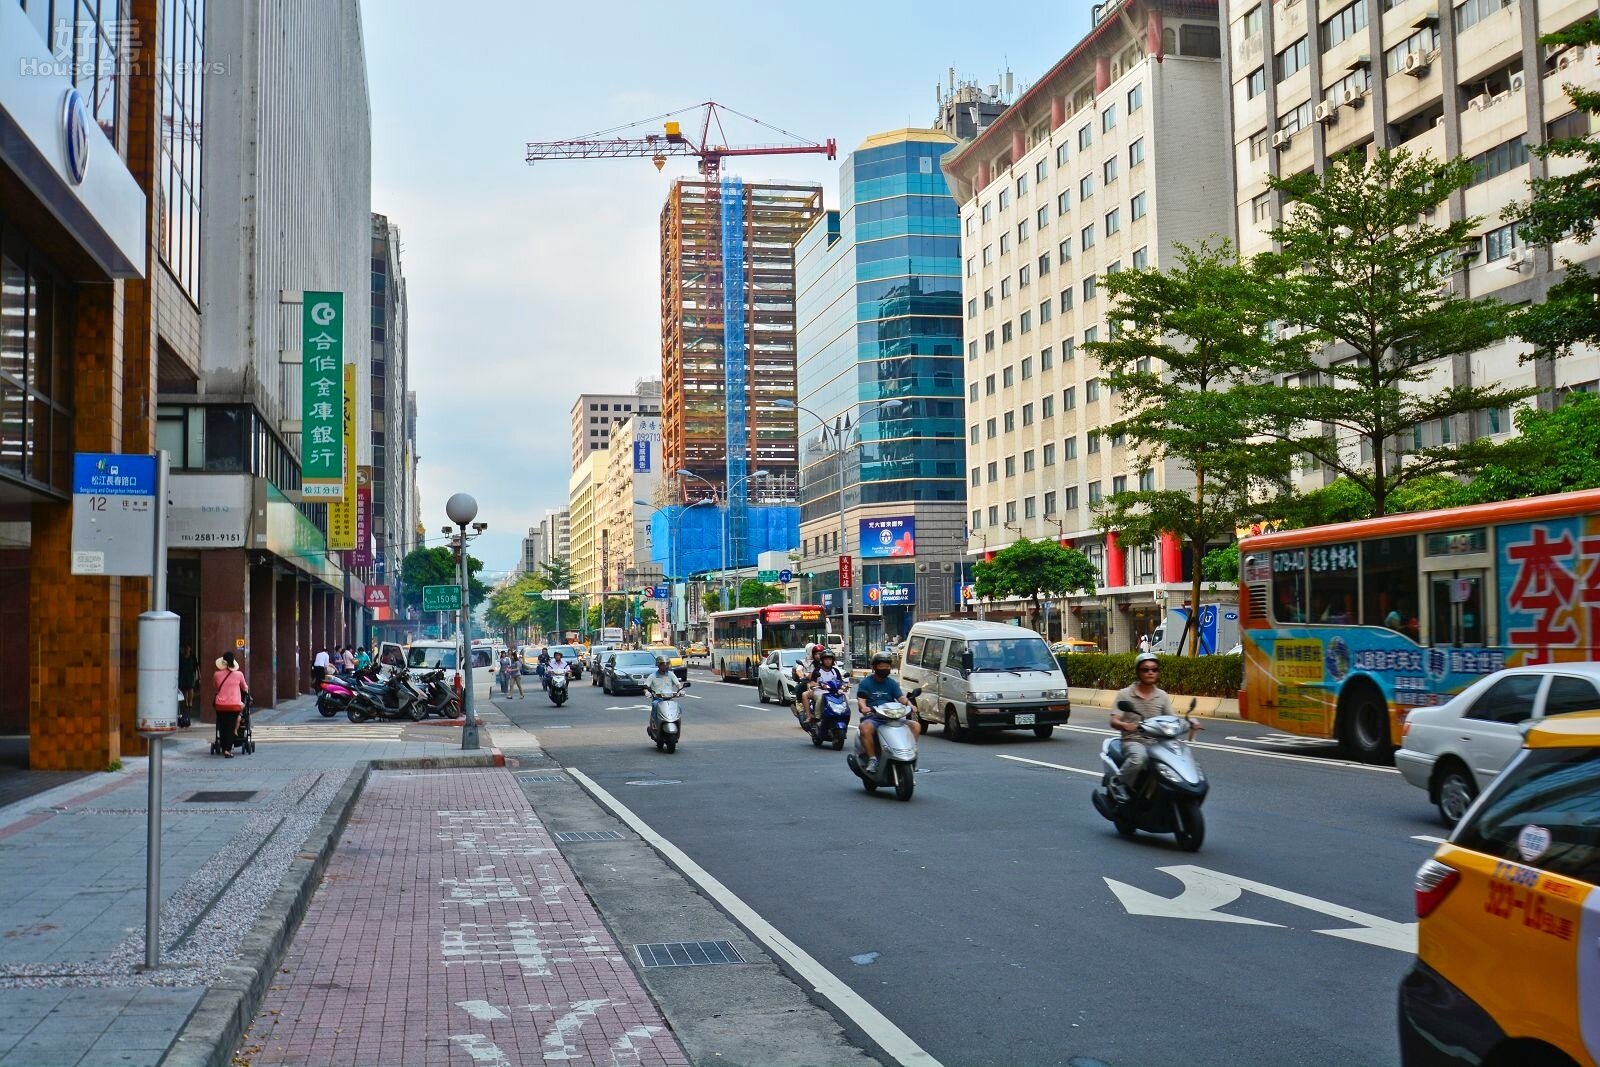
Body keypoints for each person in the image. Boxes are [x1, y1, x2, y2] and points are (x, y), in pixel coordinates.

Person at [1109, 653, 1186, 803]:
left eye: (1154, 669)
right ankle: (1117, 783)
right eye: (1145, 670)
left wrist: (1189, 723)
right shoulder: (1125, 694)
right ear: (1138, 672)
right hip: (1133, 741)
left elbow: (1172, 719)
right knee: (1139, 758)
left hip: (1157, 743)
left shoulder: (1162, 696)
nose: (1150, 672)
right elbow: (1113, 720)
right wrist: (1125, 725)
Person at [854, 652, 920, 775]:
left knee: (915, 726)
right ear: (874, 667)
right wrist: (864, 707)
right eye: (881, 666)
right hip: (874, 717)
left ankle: (909, 753)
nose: (885, 669)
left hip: (892, 717)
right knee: (865, 728)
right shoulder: (866, 683)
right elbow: (861, 700)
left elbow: (901, 698)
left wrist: (910, 705)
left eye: (887, 666)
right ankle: (872, 759)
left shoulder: (891, 683)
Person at [213, 652, 250, 758]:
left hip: (220, 705)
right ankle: (227, 750)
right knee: (230, 726)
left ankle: (224, 747)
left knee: (223, 726)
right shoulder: (239, 674)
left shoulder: (216, 674)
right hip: (234, 705)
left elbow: (215, 687)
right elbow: (245, 688)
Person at [806, 649, 846, 728]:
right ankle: (817, 717)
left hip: (833, 691)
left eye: (830, 659)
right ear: (822, 660)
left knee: (844, 698)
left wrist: (844, 686)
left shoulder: (835, 671)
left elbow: (840, 682)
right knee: (821, 697)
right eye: (826, 659)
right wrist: (820, 685)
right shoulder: (817, 670)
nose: (828, 661)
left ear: (833, 660)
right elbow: (812, 683)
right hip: (820, 691)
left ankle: (843, 715)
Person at [646, 655, 683, 729]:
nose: (665, 666)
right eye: (663, 664)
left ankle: (676, 723)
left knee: (678, 707)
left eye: (667, 664)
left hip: (669, 699)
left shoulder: (671, 674)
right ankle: (654, 723)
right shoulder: (652, 676)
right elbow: (646, 686)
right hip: (658, 699)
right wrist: (647, 692)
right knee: (655, 705)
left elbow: (678, 684)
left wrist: (680, 690)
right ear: (658, 665)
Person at [177, 644, 199, 728]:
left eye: (188, 648)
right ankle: (186, 702)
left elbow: (197, 666)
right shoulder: (181, 657)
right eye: (185, 649)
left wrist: (199, 676)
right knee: (184, 689)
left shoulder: (192, 656)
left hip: (190, 675)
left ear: (190, 649)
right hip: (183, 675)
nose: (187, 650)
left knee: (190, 688)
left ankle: (190, 701)